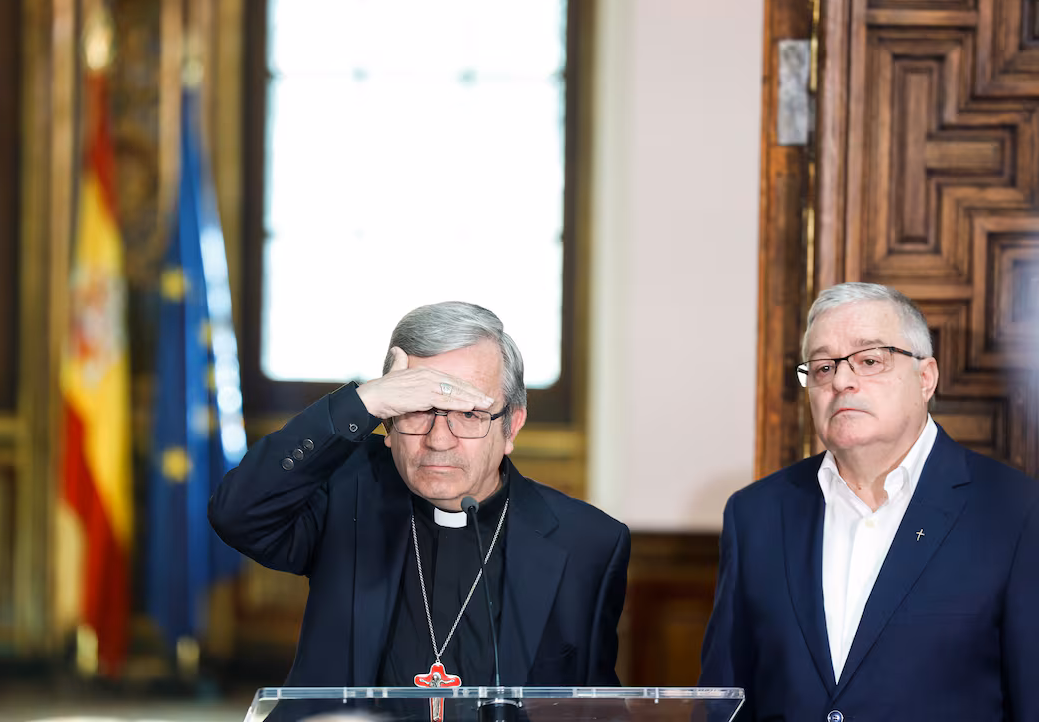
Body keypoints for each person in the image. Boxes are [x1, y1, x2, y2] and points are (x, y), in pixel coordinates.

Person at [209, 301, 630, 688]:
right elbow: (237, 513)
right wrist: (363, 400)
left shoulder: (587, 544)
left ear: (512, 426)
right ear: (388, 424)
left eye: (469, 414)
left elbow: (594, 707)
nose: (439, 439)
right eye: (415, 410)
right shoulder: (342, 493)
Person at [699, 282, 1039, 721]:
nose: (841, 381)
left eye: (869, 360)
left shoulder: (1015, 512)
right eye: (822, 368)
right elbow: (724, 701)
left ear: (925, 377)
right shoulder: (757, 515)